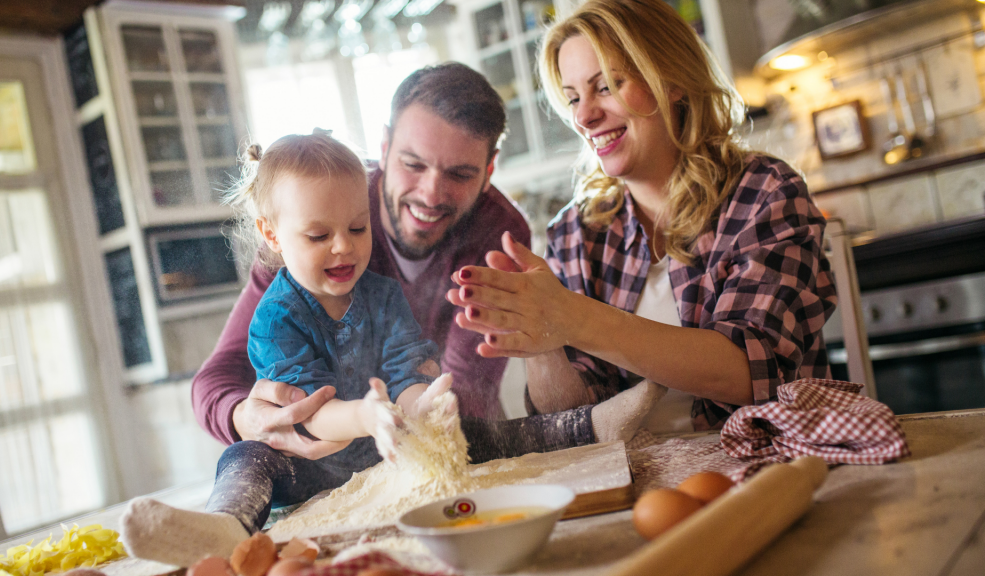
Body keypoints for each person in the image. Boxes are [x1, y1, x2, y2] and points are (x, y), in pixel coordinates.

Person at [448, 0, 838, 433]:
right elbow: (570, 418)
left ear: (671, 80)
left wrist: (571, 316)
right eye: (574, 97)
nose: (583, 115)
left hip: (767, 469)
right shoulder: (576, 233)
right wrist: (541, 339)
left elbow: (751, 371)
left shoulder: (764, 193)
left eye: (607, 86)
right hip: (630, 484)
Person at [121, 134, 458, 567]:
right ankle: (227, 524)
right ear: (271, 234)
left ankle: (570, 426)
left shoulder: (384, 295)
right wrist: (367, 416)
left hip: (386, 450)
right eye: (319, 235)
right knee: (245, 456)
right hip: (307, 468)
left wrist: (421, 405)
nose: (344, 246)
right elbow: (308, 414)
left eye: (358, 227)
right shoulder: (276, 318)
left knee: (466, 427)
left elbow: (407, 370)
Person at [192, 63, 532, 463]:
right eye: (413, 164)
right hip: (322, 460)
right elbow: (214, 380)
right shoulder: (310, 210)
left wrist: (420, 407)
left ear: (489, 170)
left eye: (459, 174)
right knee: (241, 465)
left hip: (426, 444)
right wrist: (243, 418)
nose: (431, 194)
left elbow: (461, 389)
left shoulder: (500, 237)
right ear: (385, 146)